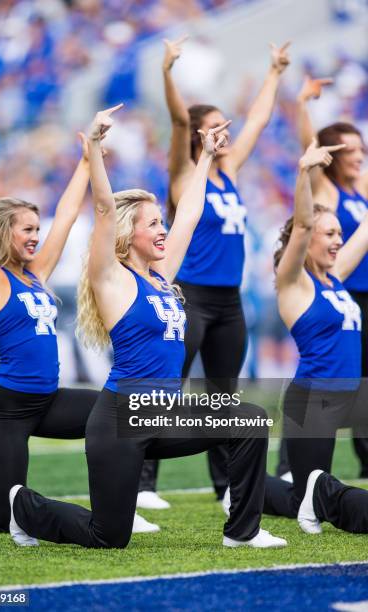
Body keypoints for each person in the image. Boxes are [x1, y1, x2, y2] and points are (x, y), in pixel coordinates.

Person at [8, 104, 286, 550]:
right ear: (127, 233)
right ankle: (25, 507)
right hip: (122, 418)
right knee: (108, 536)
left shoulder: (162, 276)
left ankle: (243, 531)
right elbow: (102, 208)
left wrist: (208, 158)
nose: (163, 230)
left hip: (165, 414)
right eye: (154, 223)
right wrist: (96, 147)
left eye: (162, 222)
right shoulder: (113, 278)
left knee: (249, 422)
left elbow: (191, 214)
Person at [0, 119, 156, 539]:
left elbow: (66, 216)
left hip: (48, 401)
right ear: (4, 232)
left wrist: (88, 159)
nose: (36, 237)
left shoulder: (37, 273)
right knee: (3, 516)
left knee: (120, 416)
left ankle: (118, 507)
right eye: (27, 230)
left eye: (36, 228)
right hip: (7, 410)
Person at [136, 37, 290, 502]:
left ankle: (225, 486)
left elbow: (260, 120)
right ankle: (142, 482)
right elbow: (180, 119)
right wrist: (167, 72)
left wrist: (275, 72)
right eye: (216, 126)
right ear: (199, 136)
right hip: (188, 296)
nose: (226, 132)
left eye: (226, 125)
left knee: (223, 397)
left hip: (228, 300)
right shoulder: (185, 175)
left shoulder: (232, 172)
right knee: (165, 388)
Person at [261, 138, 368, 534]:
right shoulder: (293, 284)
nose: (338, 240)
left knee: (312, 495)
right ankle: (246, 488)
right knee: (304, 498)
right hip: (315, 399)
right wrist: (305, 172)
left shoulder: (336, 278)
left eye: (340, 233)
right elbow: (303, 223)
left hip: (353, 395)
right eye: (330, 234)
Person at [276, 76, 368, 480]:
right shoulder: (328, 191)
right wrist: (303, 104)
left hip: (352, 296)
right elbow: (309, 153)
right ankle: (288, 467)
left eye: (363, 149)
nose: (359, 156)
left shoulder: (359, 189)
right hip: (341, 292)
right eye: (351, 150)